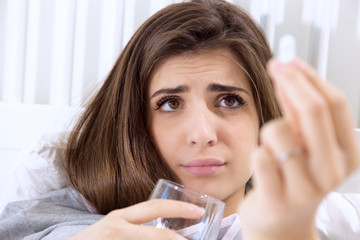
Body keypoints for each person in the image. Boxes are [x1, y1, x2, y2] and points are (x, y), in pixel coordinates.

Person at [0, 0, 359, 239]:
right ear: (135, 121)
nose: (203, 134)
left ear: (265, 116)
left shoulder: (323, 220)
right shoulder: (56, 211)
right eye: (170, 103)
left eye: (230, 100)